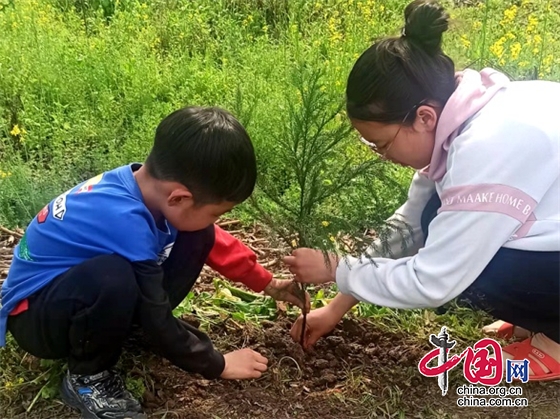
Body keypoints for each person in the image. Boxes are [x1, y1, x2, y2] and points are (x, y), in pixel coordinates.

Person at [285, 0, 559, 382]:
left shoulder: (489, 147)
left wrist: (336, 269)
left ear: (424, 117)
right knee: (434, 217)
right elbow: (408, 225)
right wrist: (334, 308)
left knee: (473, 268)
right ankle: (538, 320)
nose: (381, 156)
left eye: (380, 144)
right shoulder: (464, 116)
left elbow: (434, 280)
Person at [0, 106, 308, 419]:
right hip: (36, 317)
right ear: (179, 198)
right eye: (217, 212)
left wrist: (269, 284)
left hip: (74, 298)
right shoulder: (123, 219)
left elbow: (216, 242)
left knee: (197, 234)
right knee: (112, 277)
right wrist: (218, 363)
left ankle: (124, 331)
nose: (217, 221)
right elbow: (154, 310)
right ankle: (87, 378)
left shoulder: (148, 188)